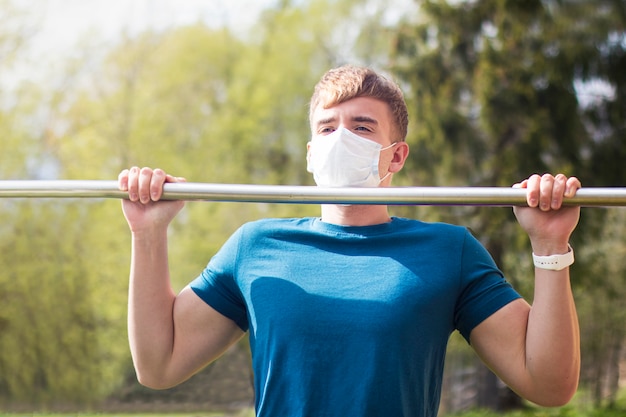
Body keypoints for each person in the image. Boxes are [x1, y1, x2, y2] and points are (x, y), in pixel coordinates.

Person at [118, 65, 581, 416]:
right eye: (327, 127)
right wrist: (148, 232)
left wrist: (549, 246)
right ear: (310, 152)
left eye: (361, 127)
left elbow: (549, 385)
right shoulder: (254, 247)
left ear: (395, 155)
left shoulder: (448, 252)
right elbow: (159, 365)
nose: (341, 138)